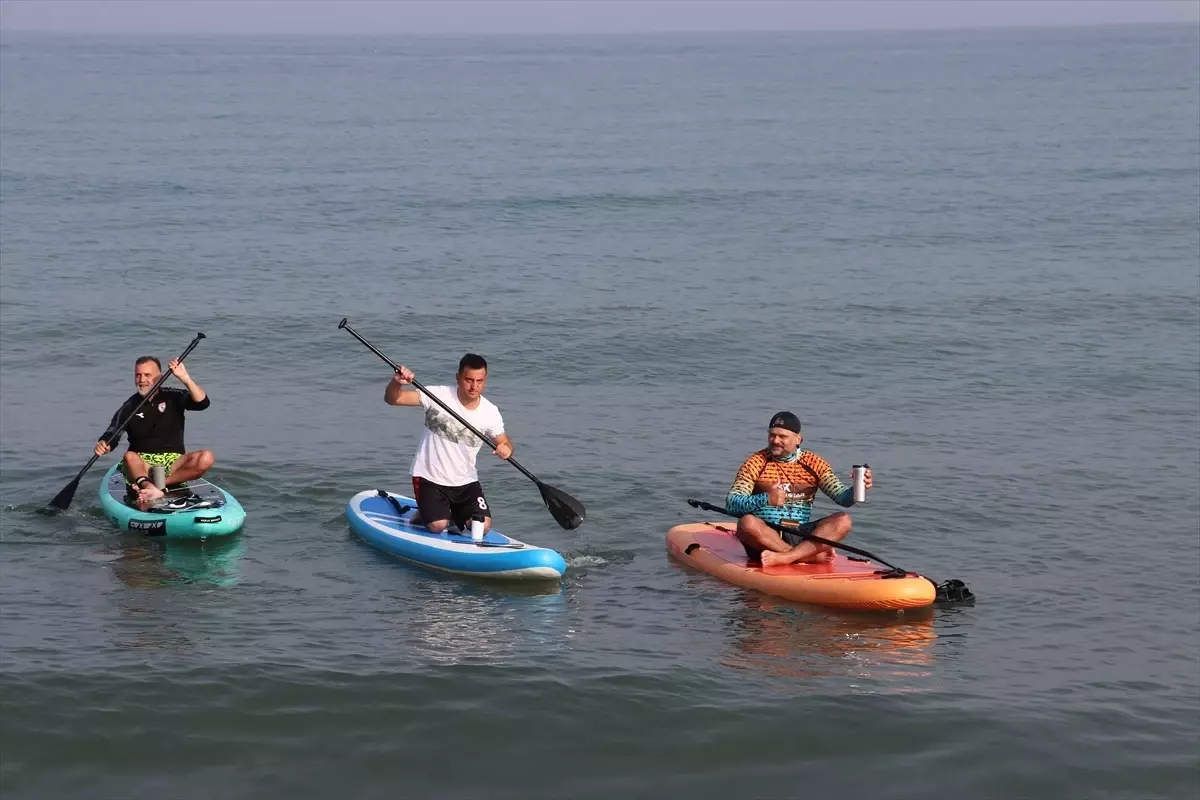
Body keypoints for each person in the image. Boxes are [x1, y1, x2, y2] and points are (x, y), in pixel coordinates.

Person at [385, 353, 513, 534]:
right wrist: (397, 383)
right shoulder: (437, 395)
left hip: (466, 481)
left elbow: (504, 442)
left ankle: (450, 512)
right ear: (458, 378)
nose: (474, 386)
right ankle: (425, 513)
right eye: (469, 380)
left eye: (479, 381)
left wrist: (505, 449)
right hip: (429, 477)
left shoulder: (490, 412)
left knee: (482, 527)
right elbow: (393, 399)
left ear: (485, 380)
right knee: (438, 526)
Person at [727, 411, 873, 566]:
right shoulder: (756, 463)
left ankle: (787, 557)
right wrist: (766, 499)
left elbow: (843, 498)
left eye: (782, 436)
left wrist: (858, 488)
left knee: (843, 520)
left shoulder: (814, 463)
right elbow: (732, 504)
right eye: (772, 435)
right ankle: (805, 557)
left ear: (798, 439)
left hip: (799, 533)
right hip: (766, 537)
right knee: (746, 523)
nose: (775, 440)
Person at [94, 356, 215, 510]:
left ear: (160, 376)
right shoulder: (130, 406)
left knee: (206, 457)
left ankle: (160, 485)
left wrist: (185, 378)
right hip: (142, 465)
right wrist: (104, 444)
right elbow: (113, 432)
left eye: (147, 375)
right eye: (138, 375)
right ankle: (148, 485)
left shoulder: (174, 396)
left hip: (173, 463)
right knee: (129, 457)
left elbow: (203, 403)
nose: (142, 379)